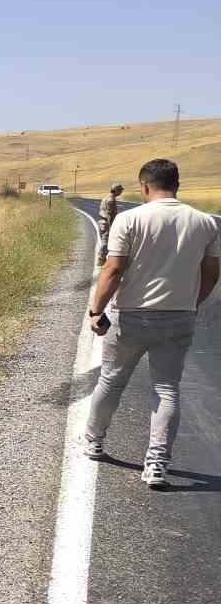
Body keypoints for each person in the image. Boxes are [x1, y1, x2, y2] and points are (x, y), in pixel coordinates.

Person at [83, 159, 220, 487]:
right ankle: (157, 463)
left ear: (144, 186)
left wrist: (95, 311)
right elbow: (212, 272)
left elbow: (113, 269)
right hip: (178, 318)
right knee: (167, 389)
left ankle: (94, 441)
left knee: (112, 382)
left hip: (131, 316)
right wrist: (192, 303)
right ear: (177, 184)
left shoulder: (129, 219)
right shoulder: (206, 223)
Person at [96, 183, 124, 265]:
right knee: (106, 242)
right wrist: (112, 226)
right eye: (120, 190)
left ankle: (102, 259)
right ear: (116, 190)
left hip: (102, 222)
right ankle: (101, 259)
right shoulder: (111, 200)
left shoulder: (107, 198)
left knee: (105, 241)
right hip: (106, 223)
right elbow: (109, 215)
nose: (121, 192)